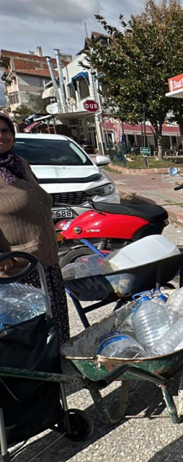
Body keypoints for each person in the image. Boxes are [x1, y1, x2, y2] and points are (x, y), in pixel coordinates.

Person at [0, 113, 70, 343]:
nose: (1, 136)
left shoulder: (20, 164)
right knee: (32, 342)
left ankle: (60, 377)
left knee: (57, 335)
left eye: (5, 130)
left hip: (47, 265)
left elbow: (39, 202)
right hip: (18, 272)